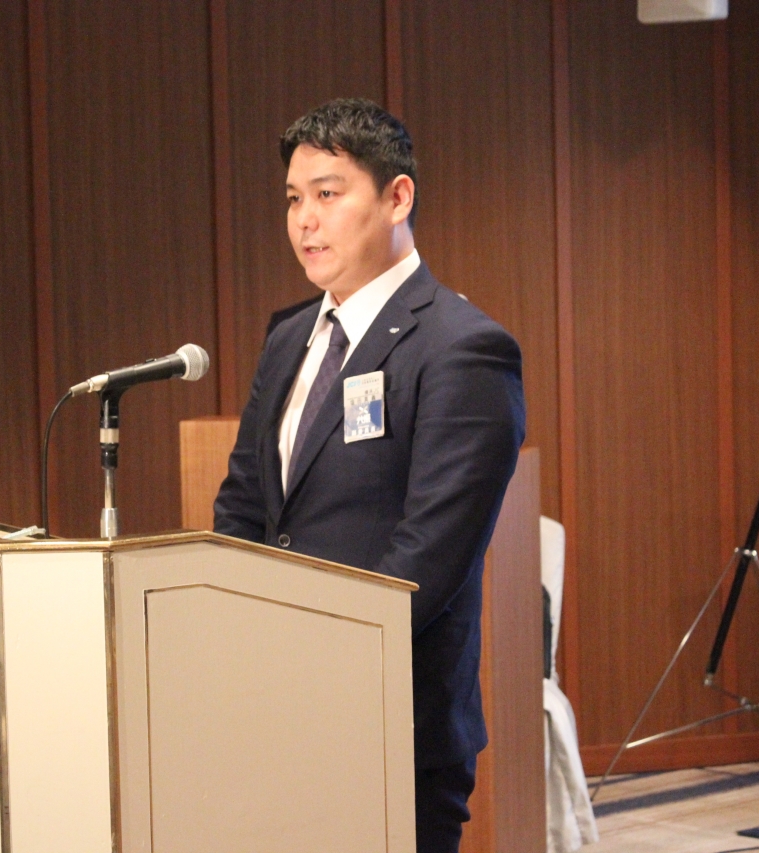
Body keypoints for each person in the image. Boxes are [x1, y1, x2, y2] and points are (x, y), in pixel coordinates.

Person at [214, 98, 525, 852]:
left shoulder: (462, 347)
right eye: (294, 199)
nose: (305, 221)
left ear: (397, 197)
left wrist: (310, 665)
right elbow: (244, 508)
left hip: (393, 723)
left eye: (328, 193)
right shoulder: (289, 336)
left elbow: (427, 558)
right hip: (275, 716)